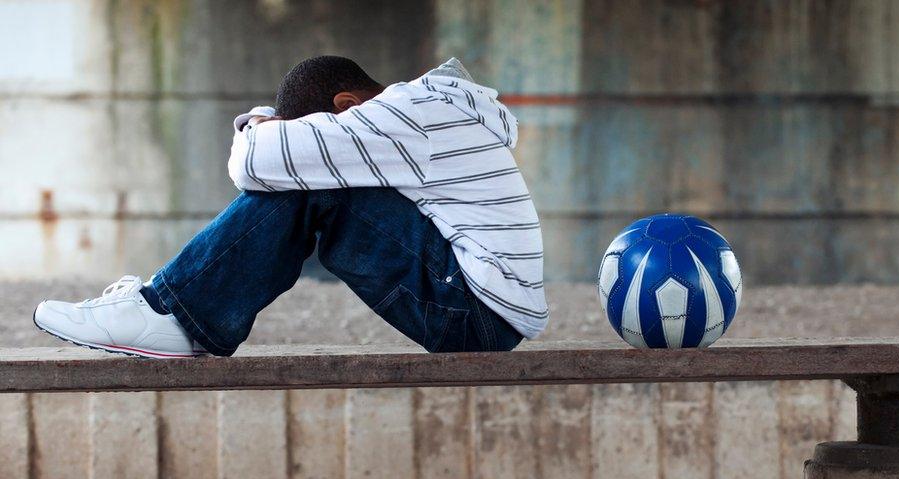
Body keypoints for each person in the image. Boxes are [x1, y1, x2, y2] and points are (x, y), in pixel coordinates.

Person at [33, 56, 548, 358]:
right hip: (481, 307)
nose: (332, 142)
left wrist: (263, 124)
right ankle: (169, 308)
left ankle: (176, 314)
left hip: (473, 312)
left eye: (325, 131)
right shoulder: (428, 110)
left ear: (346, 107)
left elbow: (254, 162)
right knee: (312, 176)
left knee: (313, 185)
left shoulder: (403, 116)